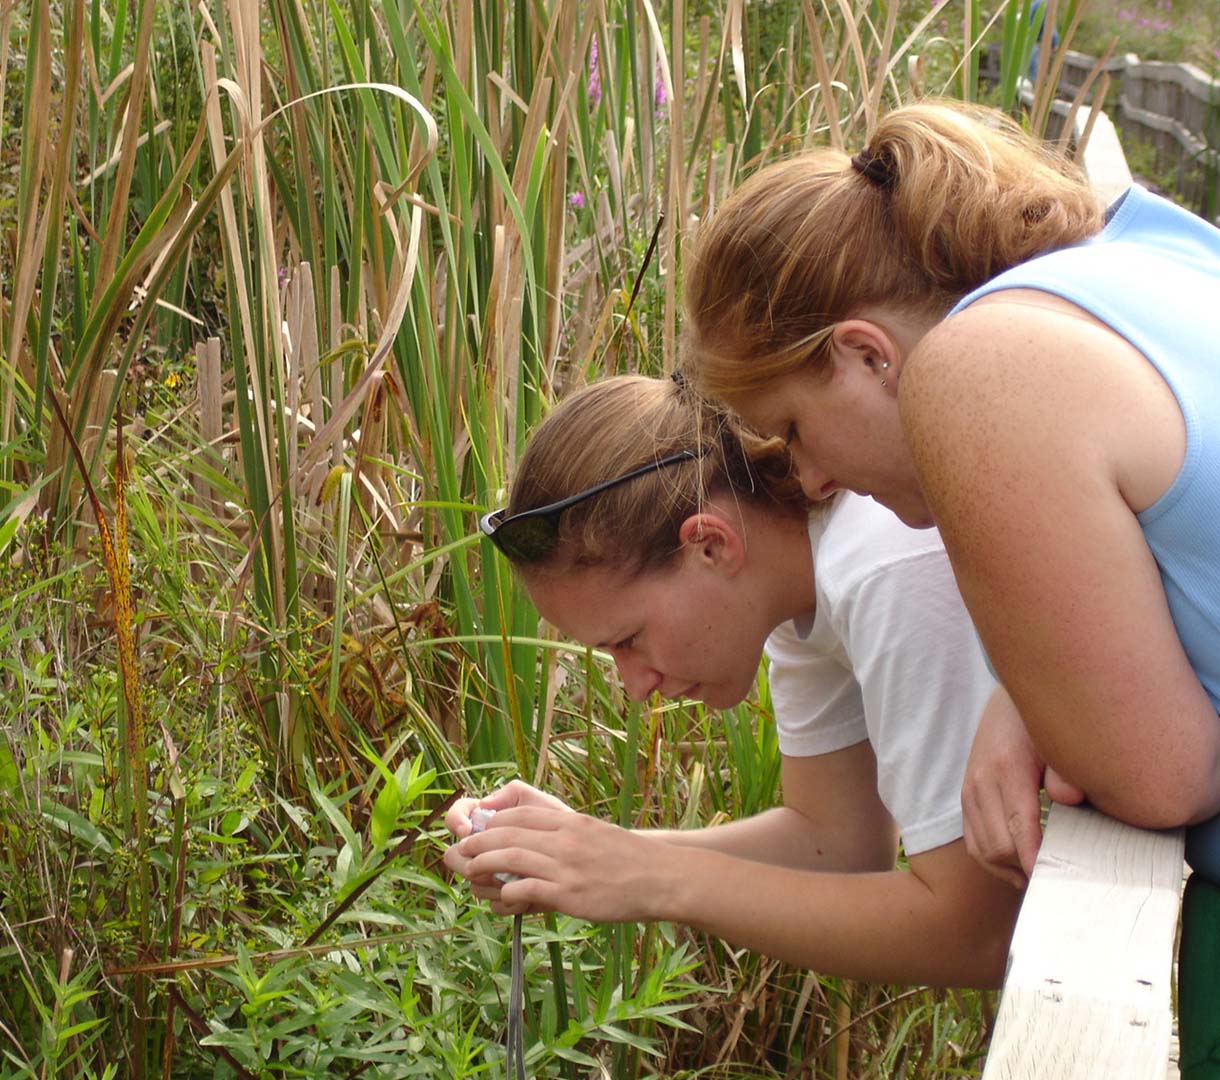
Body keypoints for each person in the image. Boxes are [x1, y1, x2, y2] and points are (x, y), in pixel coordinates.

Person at [675, 98, 1220, 1069]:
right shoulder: (1142, 250)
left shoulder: (974, 368)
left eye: (794, 429)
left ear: (863, 355)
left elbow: (1158, 773)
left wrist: (1050, 710)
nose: (808, 482)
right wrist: (1025, 687)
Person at [447, 374, 1020, 990]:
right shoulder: (795, 585)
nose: (635, 686)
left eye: (628, 639)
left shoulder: (881, 566)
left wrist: (652, 876)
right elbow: (839, 845)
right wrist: (581, 854)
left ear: (710, 545)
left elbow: (981, 933)